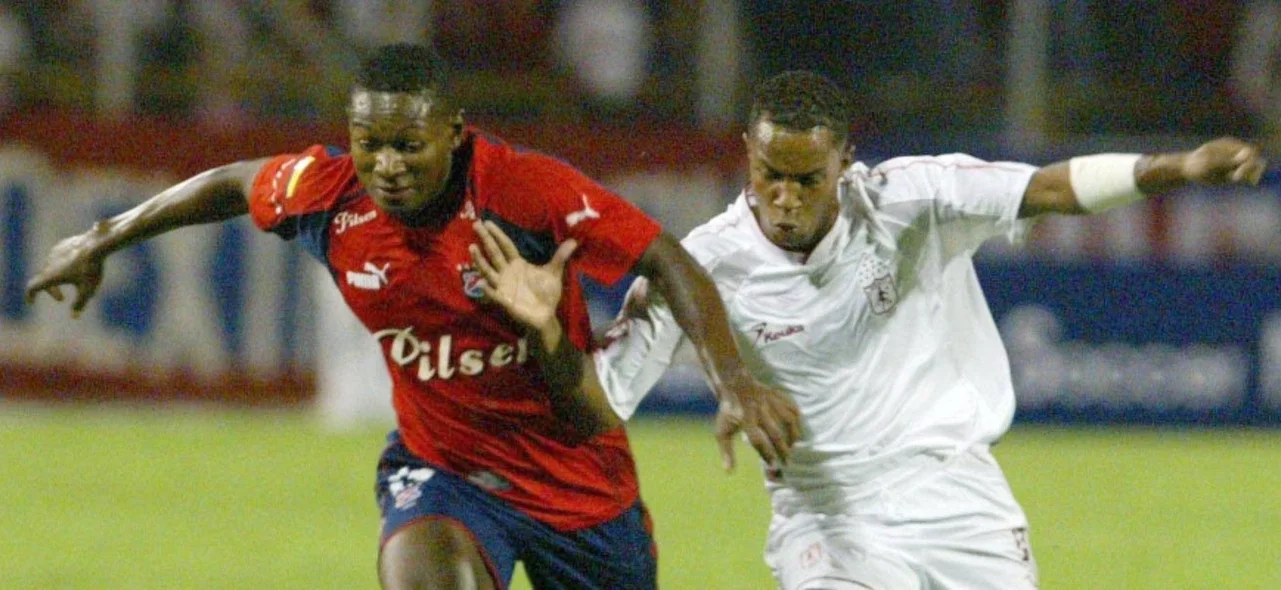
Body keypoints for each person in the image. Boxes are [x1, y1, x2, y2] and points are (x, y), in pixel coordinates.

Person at [22, 43, 800, 590]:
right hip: (442, 473)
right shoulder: (327, 192)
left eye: (409, 145)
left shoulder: (524, 192)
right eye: (371, 144)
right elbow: (232, 182)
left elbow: (666, 257)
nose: (388, 165)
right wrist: (103, 236)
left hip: (578, 483)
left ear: (453, 133)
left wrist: (731, 379)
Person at [482, 70, 1267, 589]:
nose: (783, 196)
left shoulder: (909, 199)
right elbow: (601, 403)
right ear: (747, 161)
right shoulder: (699, 266)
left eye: (805, 178)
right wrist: (548, 332)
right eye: (768, 175)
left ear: (844, 163)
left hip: (956, 492)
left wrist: (1180, 169)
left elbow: (1050, 188)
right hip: (826, 515)